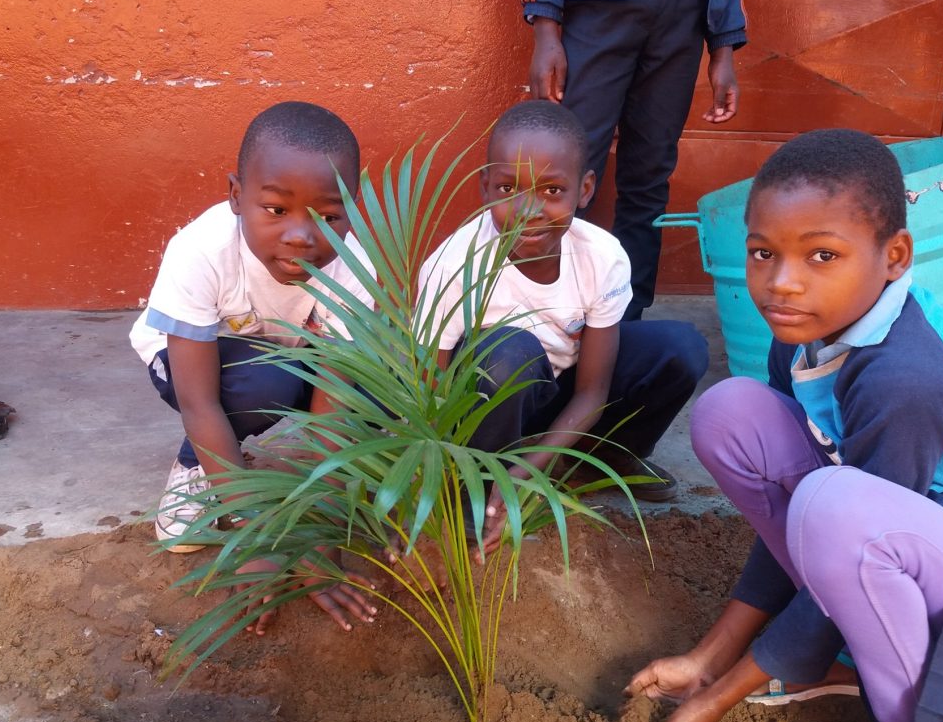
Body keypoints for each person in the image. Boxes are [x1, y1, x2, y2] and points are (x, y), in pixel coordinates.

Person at [625, 129, 943, 722]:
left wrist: (720, 696)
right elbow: (803, 525)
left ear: (895, 255)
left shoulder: (906, 379)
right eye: (762, 252)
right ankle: (853, 647)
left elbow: (845, 527)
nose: (782, 283)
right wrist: (711, 658)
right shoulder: (812, 334)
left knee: (836, 502)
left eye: (822, 254)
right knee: (732, 414)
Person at [130, 100, 378, 634]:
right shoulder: (201, 251)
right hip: (202, 362)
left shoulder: (354, 266)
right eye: (275, 210)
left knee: (376, 392)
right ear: (236, 195)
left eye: (329, 217)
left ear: (353, 211)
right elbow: (199, 399)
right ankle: (196, 465)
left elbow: (336, 411)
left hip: (293, 353)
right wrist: (259, 535)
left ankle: (283, 478)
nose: (301, 236)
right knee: (261, 382)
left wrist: (319, 537)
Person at [417, 100, 709, 549]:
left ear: (585, 188)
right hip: (486, 409)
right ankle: (477, 488)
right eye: (508, 188)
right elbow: (431, 395)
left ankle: (604, 458)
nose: (529, 209)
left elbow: (593, 389)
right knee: (509, 351)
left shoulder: (600, 254)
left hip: (565, 395)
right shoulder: (454, 268)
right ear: (485, 188)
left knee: (681, 348)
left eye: (552, 190)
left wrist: (531, 469)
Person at [521, 0, 747, 320]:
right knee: (567, 164)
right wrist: (545, 30)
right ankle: (547, 315)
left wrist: (723, 46)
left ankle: (627, 314)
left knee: (650, 168)